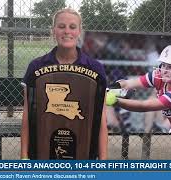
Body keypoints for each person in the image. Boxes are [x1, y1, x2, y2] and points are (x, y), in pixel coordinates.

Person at [21, 8, 108, 160]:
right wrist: (23, 156)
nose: (67, 31)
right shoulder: (36, 67)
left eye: (72, 27)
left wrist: (103, 161)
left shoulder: (95, 68)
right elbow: (27, 115)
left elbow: (101, 119)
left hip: (84, 154)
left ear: (79, 31)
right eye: (61, 26)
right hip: (43, 154)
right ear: (53, 30)